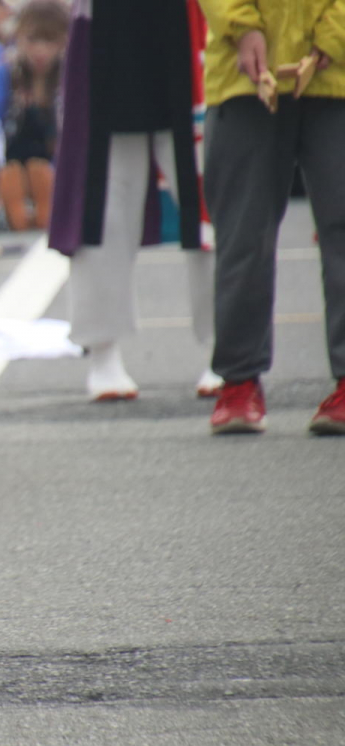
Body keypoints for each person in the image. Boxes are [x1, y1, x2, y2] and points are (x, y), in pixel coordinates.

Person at [49, 0, 222, 402]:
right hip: (106, 30)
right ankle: (103, 351)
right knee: (103, 206)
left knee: (210, 202)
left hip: (189, 23)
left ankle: (226, 346)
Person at [200, 0, 345, 435]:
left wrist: (335, 34)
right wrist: (242, 27)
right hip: (243, 75)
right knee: (243, 235)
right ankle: (239, 382)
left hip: (338, 75)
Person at [0, 0, 67, 231]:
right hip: (13, 165)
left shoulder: (67, 81)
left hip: (52, 168)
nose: (40, 50)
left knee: (42, 171)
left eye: (50, 41)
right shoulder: (8, 75)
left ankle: (48, 208)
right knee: (11, 175)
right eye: (32, 40)